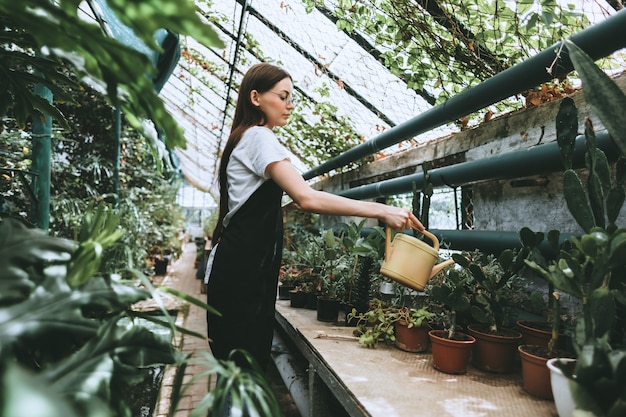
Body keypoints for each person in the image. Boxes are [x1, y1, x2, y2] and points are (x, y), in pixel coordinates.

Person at [206, 62, 423, 373]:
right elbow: (306, 197)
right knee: (244, 367)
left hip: (238, 268)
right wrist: (382, 210)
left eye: (291, 97)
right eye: (283, 97)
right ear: (256, 98)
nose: (290, 105)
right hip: (243, 273)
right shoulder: (258, 137)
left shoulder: (244, 137)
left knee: (235, 369)